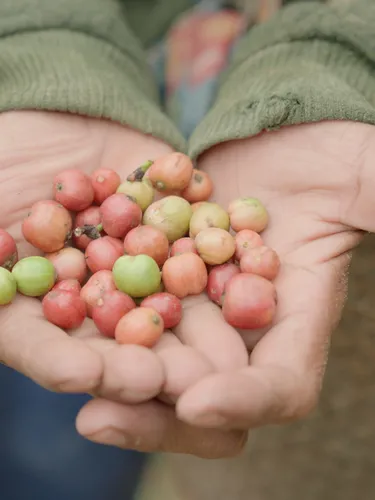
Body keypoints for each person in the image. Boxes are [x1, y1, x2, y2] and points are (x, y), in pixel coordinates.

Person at [1, 0, 375, 493]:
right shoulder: (119, 240)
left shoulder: (163, 238)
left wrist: (333, 59)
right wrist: (37, 43)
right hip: (114, 63)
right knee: (49, 439)